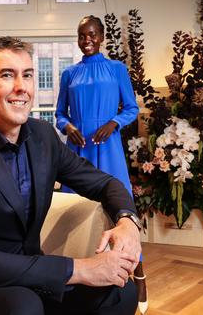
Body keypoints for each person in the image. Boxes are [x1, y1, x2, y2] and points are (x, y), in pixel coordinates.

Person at [0, 36, 141, 315]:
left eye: (28, 75)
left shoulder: (43, 136)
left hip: (28, 274)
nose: (21, 87)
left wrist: (127, 221)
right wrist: (81, 269)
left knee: (120, 294)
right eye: (7, 75)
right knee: (24, 307)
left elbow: (106, 183)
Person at [55, 15, 147, 313]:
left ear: (102, 35)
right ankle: (76, 273)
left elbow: (132, 108)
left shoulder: (117, 69)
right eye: (82, 35)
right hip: (78, 149)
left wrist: (113, 123)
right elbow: (59, 114)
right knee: (74, 208)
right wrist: (68, 127)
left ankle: (138, 272)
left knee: (120, 207)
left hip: (107, 147)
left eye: (92, 34)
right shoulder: (69, 73)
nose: (87, 40)